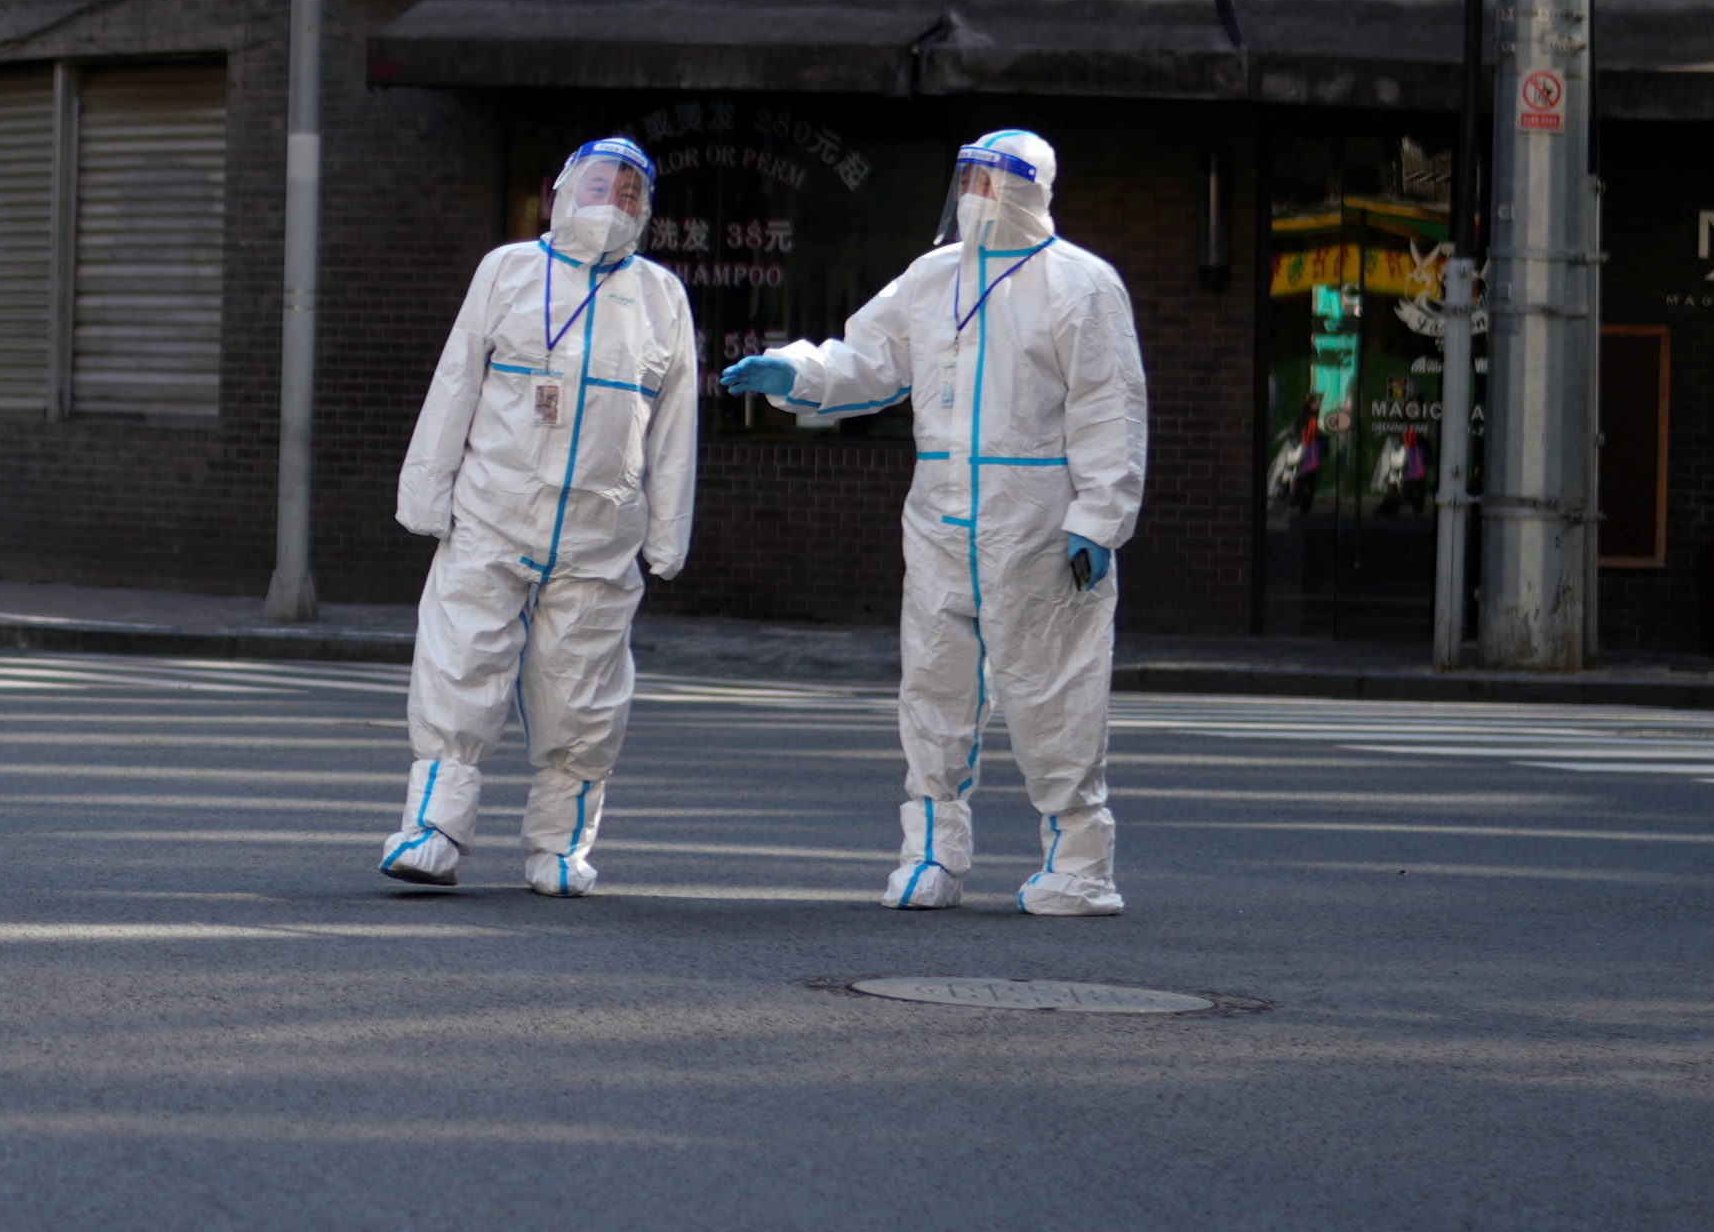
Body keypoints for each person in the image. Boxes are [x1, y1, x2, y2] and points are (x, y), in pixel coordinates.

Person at [718, 127, 1147, 917]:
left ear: (1026, 187)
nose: (973, 195)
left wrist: (1099, 516)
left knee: (1055, 691)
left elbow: (1107, 407)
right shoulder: (933, 276)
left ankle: (1081, 861)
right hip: (942, 516)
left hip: (1038, 524)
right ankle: (930, 854)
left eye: (989, 180)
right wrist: (800, 373)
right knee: (934, 687)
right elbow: (870, 360)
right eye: (968, 178)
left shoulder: (1080, 284)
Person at [384, 134, 702, 896]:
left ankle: (560, 845)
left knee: (582, 692)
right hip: (493, 512)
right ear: (560, 191)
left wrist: (667, 532)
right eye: (599, 183)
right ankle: (433, 828)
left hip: (600, 530)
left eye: (630, 191)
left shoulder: (662, 295)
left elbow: (675, 421)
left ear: (647, 210)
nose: (612, 200)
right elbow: (457, 377)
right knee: (460, 664)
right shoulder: (508, 270)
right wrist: (426, 492)